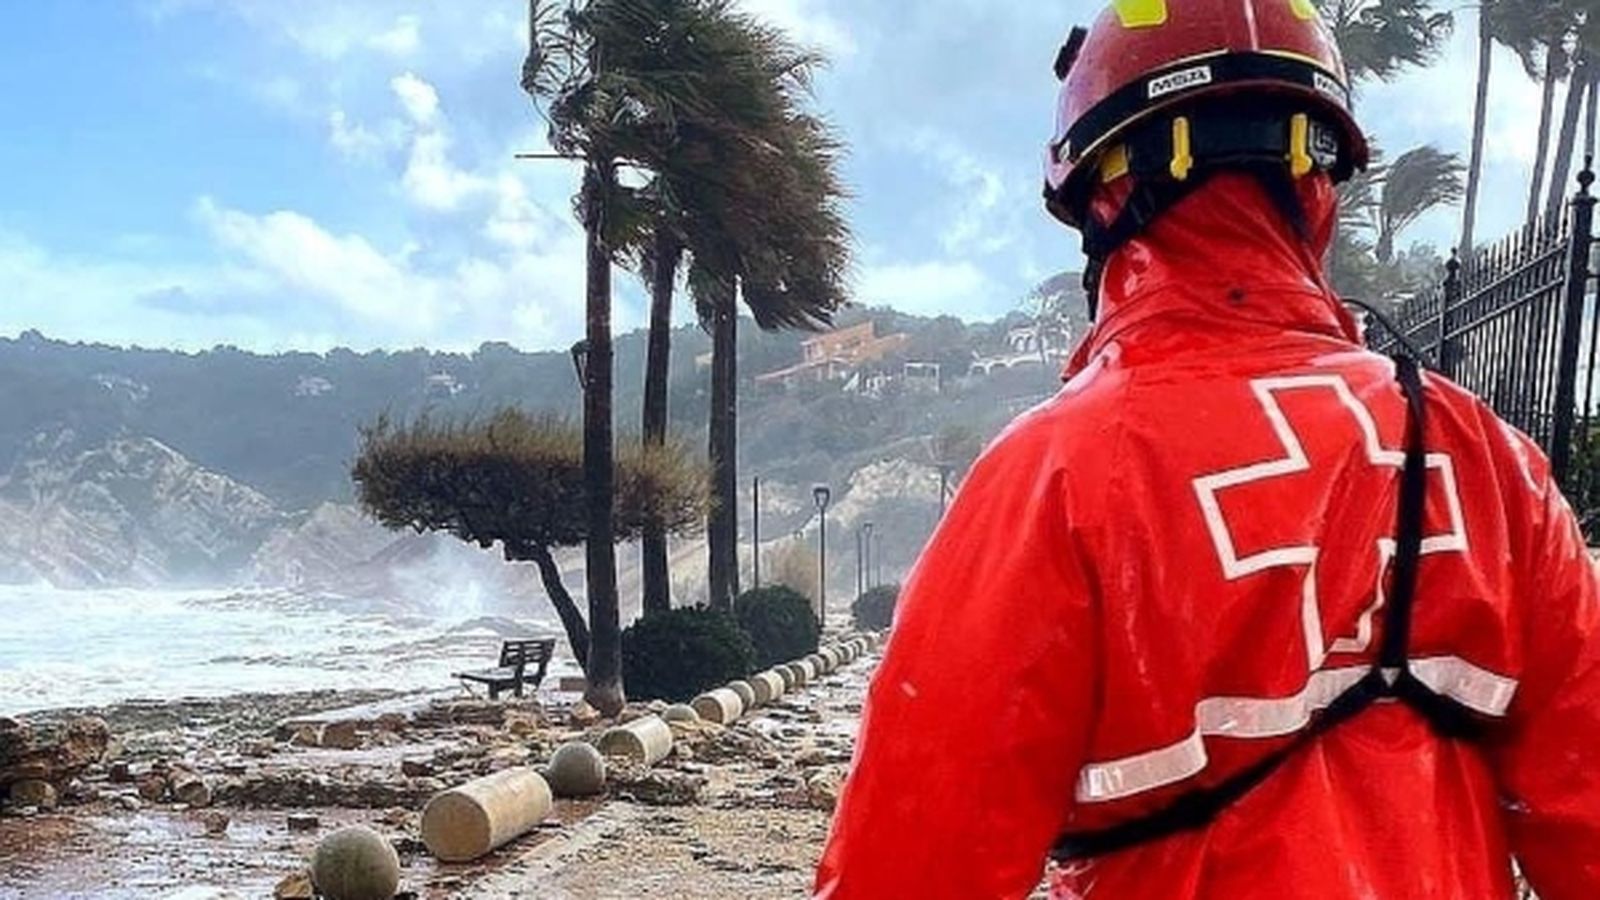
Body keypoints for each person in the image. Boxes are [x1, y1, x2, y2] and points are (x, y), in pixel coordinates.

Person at [814, 1, 1600, 898]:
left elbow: (911, 863)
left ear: (1100, 199)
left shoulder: (1053, 475)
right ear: (1318, 192)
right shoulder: (1488, 461)